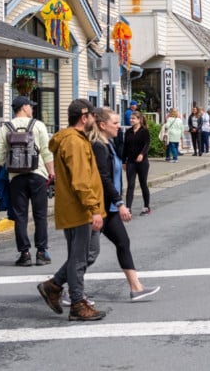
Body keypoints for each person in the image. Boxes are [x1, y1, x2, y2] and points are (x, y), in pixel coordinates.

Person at [61, 106, 159, 306]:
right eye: (115, 123)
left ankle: (136, 288)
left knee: (122, 243)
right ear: (103, 125)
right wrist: (120, 202)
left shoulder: (109, 144)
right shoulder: (98, 146)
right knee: (87, 254)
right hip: (101, 206)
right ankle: (57, 286)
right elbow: (103, 179)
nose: (119, 126)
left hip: (109, 207)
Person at [37, 99, 106, 322]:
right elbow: (80, 180)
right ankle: (77, 303)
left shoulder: (76, 139)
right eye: (92, 116)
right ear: (83, 117)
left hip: (81, 209)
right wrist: (93, 208)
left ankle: (54, 285)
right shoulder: (74, 143)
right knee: (80, 257)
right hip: (79, 210)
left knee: (88, 253)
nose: (94, 120)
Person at [0, 96, 54, 267]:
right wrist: (51, 173)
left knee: (20, 216)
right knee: (40, 215)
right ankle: (41, 253)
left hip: (16, 178)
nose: (32, 109)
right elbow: (46, 152)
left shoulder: (6, 128)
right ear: (24, 107)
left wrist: (12, 161)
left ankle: (25, 253)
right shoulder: (38, 125)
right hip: (38, 175)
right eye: (31, 106)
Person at [122, 111, 152, 215]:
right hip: (130, 161)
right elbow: (125, 147)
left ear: (139, 120)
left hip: (142, 162)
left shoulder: (144, 131)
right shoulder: (128, 132)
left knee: (143, 183)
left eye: (133, 118)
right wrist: (123, 161)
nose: (131, 120)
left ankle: (146, 206)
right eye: (131, 118)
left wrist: (142, 154)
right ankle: (128, 208)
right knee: (130, 185)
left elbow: (147, 144)